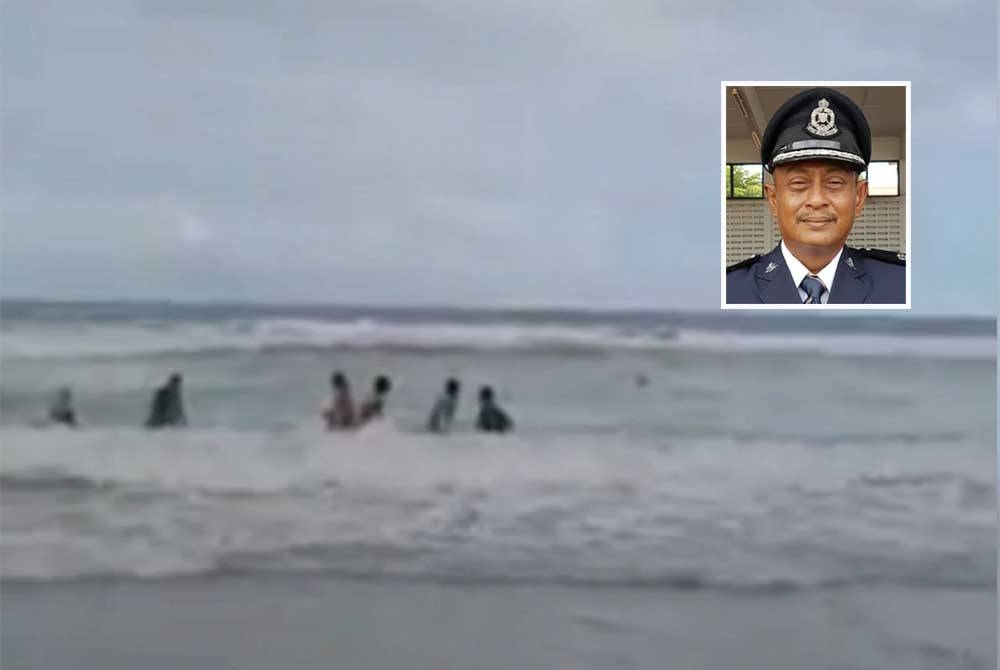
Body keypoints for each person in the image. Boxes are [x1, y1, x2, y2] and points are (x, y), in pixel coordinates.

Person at [726, 87, 905, 305]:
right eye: (799, 183)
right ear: (774, 199)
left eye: (834, 183)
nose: (817, 200)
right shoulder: (729, 291)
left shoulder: (902, 285)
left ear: (858, 197)